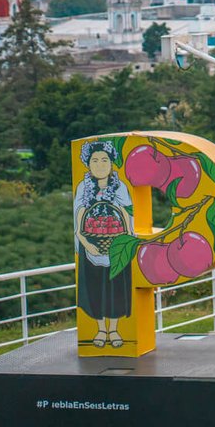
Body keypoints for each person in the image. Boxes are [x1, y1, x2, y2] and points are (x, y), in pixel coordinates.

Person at [75, 139, 133, 349]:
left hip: (116, 246)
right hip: (91, 245)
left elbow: (127, 215)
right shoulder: (83, 188)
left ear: (111, 163)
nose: (100, 165)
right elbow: (78, 219)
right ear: (88, 164)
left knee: (116, 286)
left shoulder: (120, 187)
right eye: (95, 160)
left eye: (104, 160)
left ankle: (115, 329)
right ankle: (100, 329)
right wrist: (86, 244)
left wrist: (125, 240)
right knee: (95, 287)